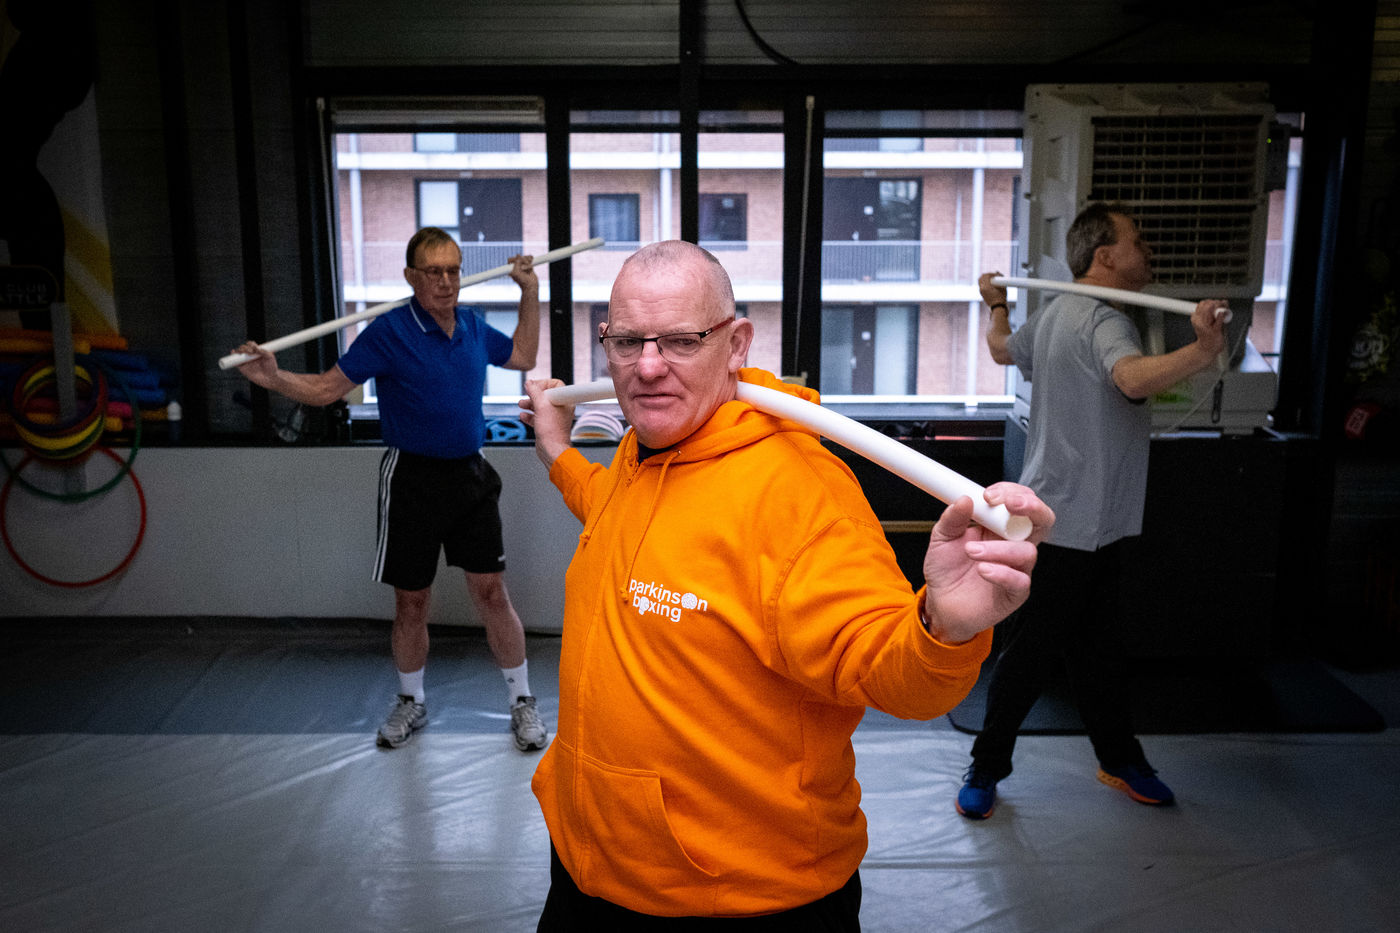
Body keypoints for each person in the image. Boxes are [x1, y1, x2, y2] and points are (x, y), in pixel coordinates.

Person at [517, 240, 1054, 928]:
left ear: (735, 343)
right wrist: (558, 453)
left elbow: (895, 676)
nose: (648, 366)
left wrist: (944, 627)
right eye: (627, 341)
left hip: (740, 899)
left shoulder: (797, 491)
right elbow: (619, 518)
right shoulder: (645, 448)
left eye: (681, 340)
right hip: (589, 866)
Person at [231, 226, 549, 753]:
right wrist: (273, 378)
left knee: (492, 593)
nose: (446, 282)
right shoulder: (389, 332)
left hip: (470, 475)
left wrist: (530, 293)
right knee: (412, 601)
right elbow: (327, 389)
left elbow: (522, 355)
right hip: (411, 480)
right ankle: (411, 701)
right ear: (410, 277)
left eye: (453, 271)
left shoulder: (472, 327)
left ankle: (521, 701)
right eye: (433, 272)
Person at [958, 202, 1229, 819]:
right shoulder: (1105, 321)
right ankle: (987, 765)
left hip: (1094, 522)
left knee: (1097, 650)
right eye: (1137, 240)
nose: (1147, 250)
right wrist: (1204, 347)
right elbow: (1131, 379)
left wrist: (996, 303)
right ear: (1105, 256)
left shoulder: (1055, 313)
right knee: (1030, 655)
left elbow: (1001, 349)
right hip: (1066, 523)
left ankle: (1119, 758)